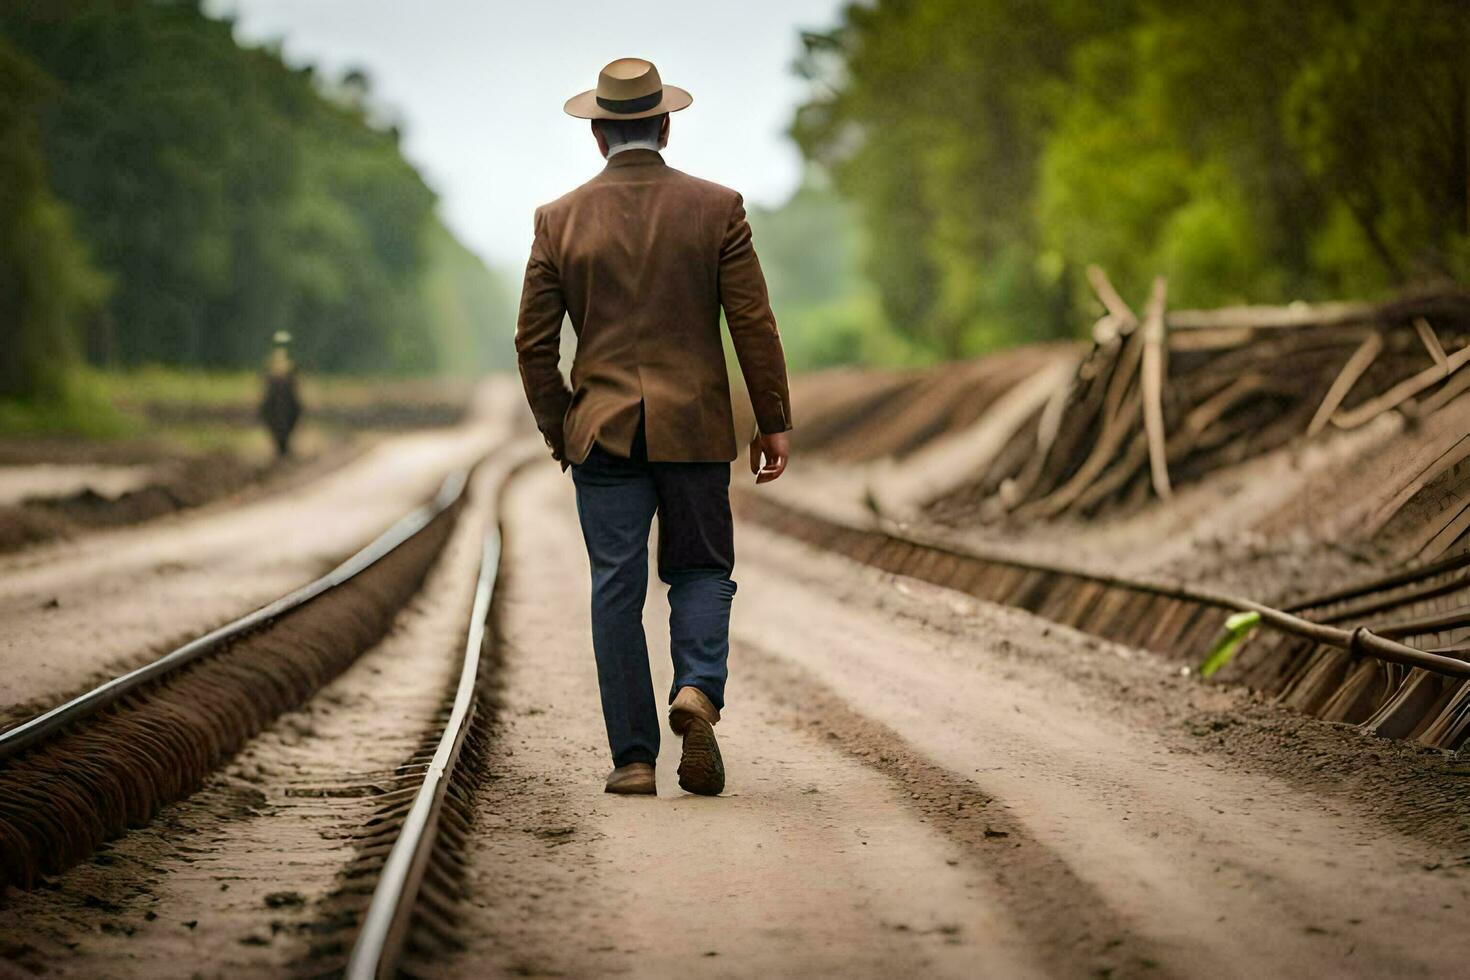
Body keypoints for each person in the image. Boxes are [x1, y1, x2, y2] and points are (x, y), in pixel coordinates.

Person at [515, 58, 793, 797]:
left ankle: (634, 761)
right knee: (701, 570)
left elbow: (534, 346)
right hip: (696, 431)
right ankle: (697, 686)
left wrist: (560, 427)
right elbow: (752, 324)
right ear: (665, 125)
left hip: (602, 434)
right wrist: (773, 421)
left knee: (615, 586)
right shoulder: (718, 207)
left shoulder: (557, 219)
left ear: (598, 132)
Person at [259, 330, 301, 458]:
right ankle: (279, 446)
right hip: (275, 394)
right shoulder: (272, 361)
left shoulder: (289, 361)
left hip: (286, 394)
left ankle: (284, 445)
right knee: (267, 411)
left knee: (294, 411)